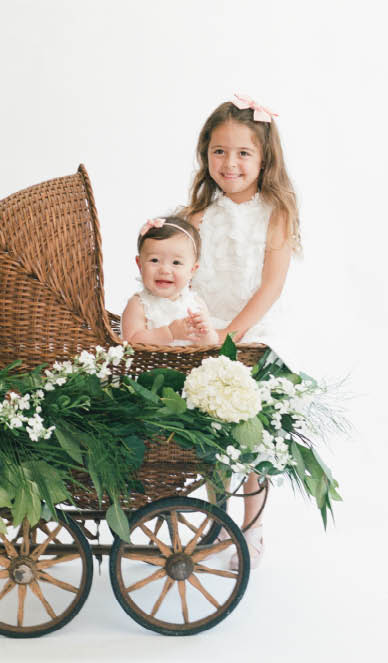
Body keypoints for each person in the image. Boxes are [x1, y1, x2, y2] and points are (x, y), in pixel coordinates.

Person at [184, 94, 302, 568]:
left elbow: (270, 288)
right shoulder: (195, 217)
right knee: (208, 430)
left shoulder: (275, 214)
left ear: (264, 159)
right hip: (203, 333)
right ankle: (216, 516)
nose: (229, 163)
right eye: (219, 152)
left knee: (249, 436)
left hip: (251, 335)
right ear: (205, 155)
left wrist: (229, 337)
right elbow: (182, 281)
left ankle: (250, 529)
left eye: (243, 153)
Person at [121, 216, 219, 346]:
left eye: (176, 262)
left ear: (192, 270)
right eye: (154, 260)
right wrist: (169, 333)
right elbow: (131, 340)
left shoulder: (196, 305)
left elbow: (210, 345)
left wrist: (206, 334)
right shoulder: (138, 304)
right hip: (151, 365)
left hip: (190, 365)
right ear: (140, 265)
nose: (165, 270)